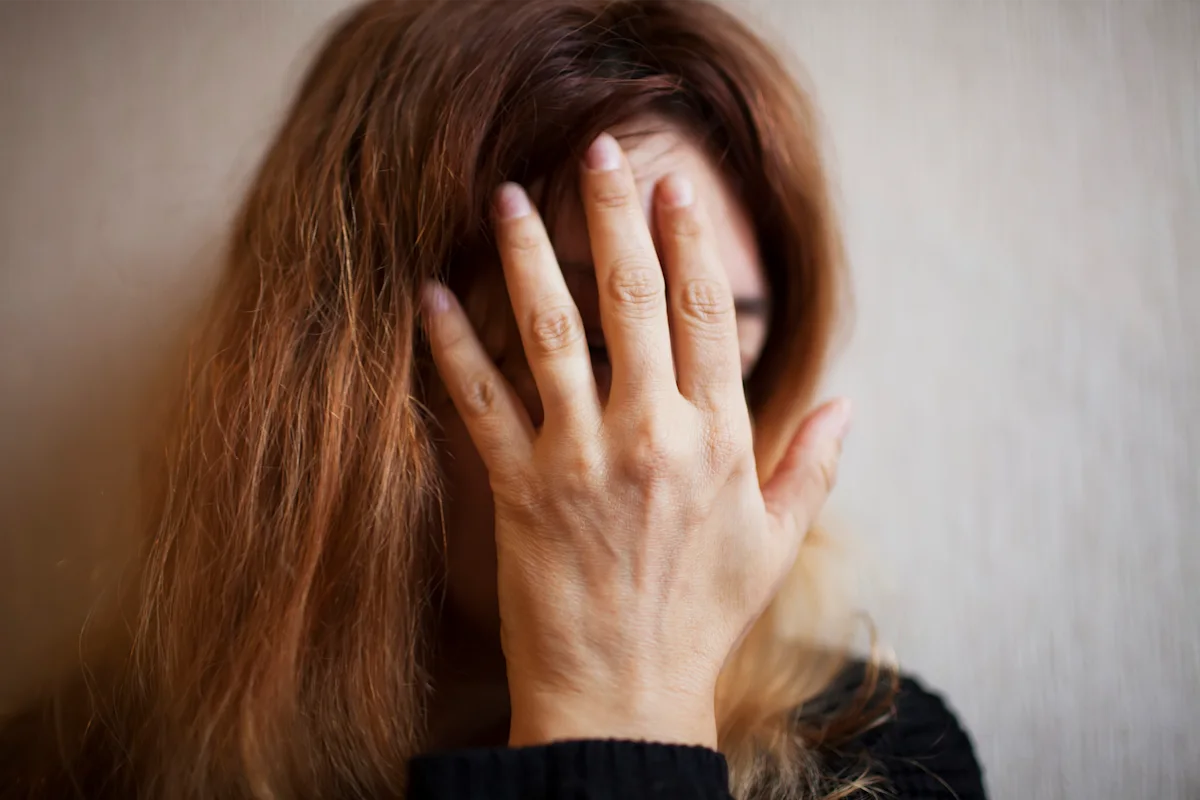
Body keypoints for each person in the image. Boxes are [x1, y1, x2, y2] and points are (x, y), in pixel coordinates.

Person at [0, 0, 986, 798]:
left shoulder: (877, 755)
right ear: (340, 375)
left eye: (724, 357)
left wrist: (623, 700)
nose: (666, 445)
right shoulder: (68, 773)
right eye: (589, 343)